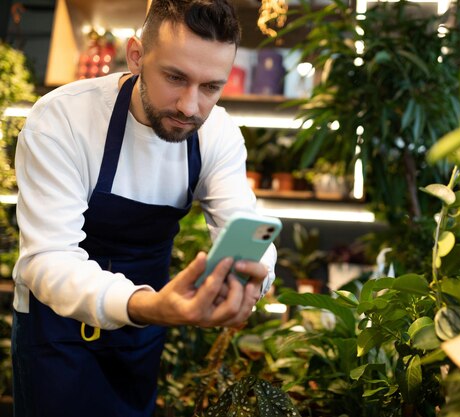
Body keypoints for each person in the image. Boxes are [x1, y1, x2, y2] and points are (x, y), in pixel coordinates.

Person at [10, 0, 277, 416]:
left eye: (210, 87)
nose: (190, 106)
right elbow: (47, 261)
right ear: (136, 56)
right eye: (175, 77)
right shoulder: (62, 120)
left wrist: (251, 277)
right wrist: (149, 305)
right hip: (56, 332)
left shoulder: (218, 133)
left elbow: (244, 223)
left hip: (144, 332)